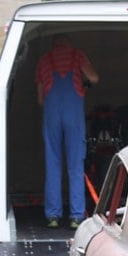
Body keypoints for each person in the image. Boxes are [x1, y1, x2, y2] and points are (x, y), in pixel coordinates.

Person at [35, 34, 100, 229]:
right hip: (73, 113)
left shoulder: (43, 61)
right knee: (75, 165)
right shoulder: (77, 55)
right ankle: (76, 217)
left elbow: (40, 100)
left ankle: (52, 216)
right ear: (68, 43)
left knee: (53, 164)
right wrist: (84, 82)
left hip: (52, 113)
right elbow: (94, 78)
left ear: (53, 45)